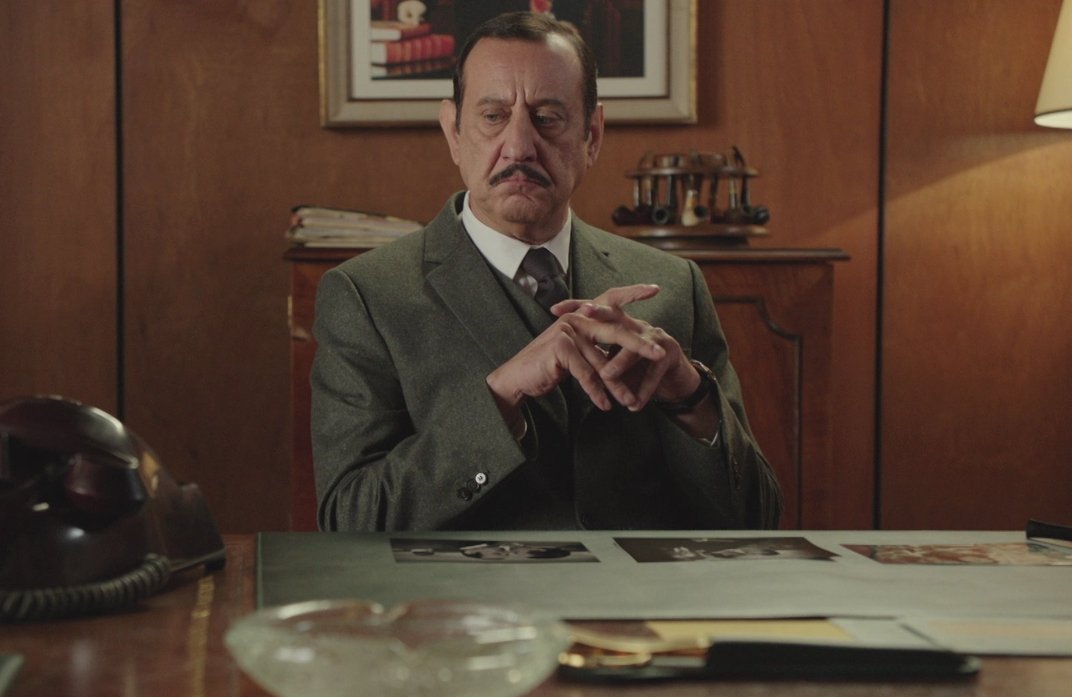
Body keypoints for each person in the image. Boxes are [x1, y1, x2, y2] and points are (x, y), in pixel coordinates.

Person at [311, 11, 781, 532]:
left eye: (548, 117)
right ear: (453, 132)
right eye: (494, 116)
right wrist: (499, 398)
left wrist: (688, 396)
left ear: (592, 135)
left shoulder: (672, 286)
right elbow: (349, 520)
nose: (519, 146)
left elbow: (756, 520)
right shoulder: (367, 296)